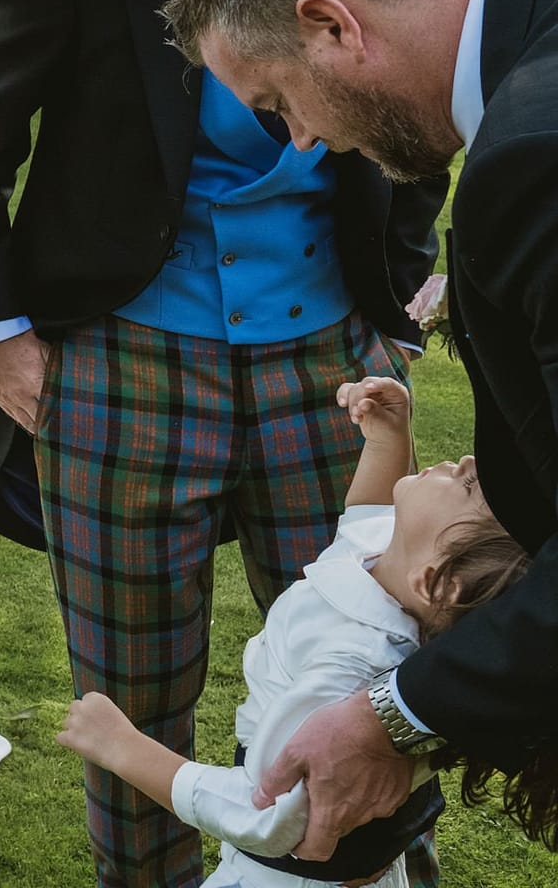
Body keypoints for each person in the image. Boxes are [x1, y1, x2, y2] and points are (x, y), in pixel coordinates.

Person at [0, 0, 459, 886]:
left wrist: (394, 313)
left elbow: (425, 136)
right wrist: (1, 325)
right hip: (122, 368)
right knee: (133, 701)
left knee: (366, 676)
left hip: (327, 375)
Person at [162, 0, 558, 864]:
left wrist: (402, 713)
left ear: (332, 26)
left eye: (278, 100)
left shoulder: (538, 154)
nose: (299, 141)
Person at [58, 375, 532, 888]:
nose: (469, 462)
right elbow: (366, 518)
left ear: (439, 583)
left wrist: (124, 748)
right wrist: (388, 439)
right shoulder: (394, 568)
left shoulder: (351, 666)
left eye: (468, 488)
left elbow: (265, 812)